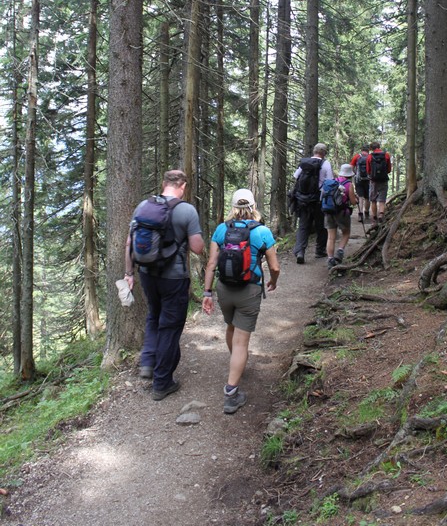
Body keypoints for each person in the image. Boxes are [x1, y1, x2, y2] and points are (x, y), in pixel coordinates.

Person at [124, 169, 205, 401]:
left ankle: (148, 362)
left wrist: (129, 273)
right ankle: (162, 382)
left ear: (163, 183)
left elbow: (129, 242)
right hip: (174, 278)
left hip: (147, 274)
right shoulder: (186, 210)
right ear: (183, 186)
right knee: (169, 326)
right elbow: (197, 248)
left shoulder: (143, 206)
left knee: (153, 316)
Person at [202, 188, 280, 414]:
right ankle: (231, 393)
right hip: (249, 290)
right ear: (253, 206)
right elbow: (274, 267)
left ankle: (236, 363)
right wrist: (273, 281)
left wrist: (207, 293)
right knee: (241, 343)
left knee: (230, 327)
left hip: (224, 289)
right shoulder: (262, 231)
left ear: (233, 207)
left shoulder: (221, 229)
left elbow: (211, 264)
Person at [292, 142, 333, 264]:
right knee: (321, 225)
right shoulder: (325, 164)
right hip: (318, 199)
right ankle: (320, 250)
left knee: (303, 226)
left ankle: (300, 252)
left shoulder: (305, 163)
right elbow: (330, 181)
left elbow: (296, 176)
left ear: (314, 151)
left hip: (303, 199)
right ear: (324, 153)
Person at [326, 164, 357, 269]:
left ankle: (330, 259)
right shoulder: (349, 185)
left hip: (329, 211)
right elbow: (353, 202)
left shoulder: (333, 181)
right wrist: (356, 199)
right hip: (342, 212)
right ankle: (340, 251)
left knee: (331, 237)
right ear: (350, 175)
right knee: (346, 233)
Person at [366, 142, 392, 222]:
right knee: (382, 199)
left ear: (371, 148)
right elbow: (389, 170)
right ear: (379, 147)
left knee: (373, 199)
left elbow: (368, 170)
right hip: (383, 180)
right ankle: (381, 214)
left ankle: (374, 216)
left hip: (373, 180)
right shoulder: (386, 155)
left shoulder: (369, 156)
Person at [350, 145, 371, 222]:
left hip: (358, 180)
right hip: (369, 180)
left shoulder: (356, 157)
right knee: (367, 197)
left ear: (361, 150)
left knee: (360, 197)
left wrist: (356, 174)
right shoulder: (370, 157)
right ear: (368, 150)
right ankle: (367, 213)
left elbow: (351, 168)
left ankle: (360, 214)